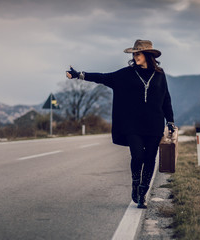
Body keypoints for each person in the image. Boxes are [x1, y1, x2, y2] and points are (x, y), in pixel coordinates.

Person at [66, 39, 175, 209]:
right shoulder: (126, 74)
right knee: (137, 156)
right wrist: (79, 74)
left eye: (138, 53)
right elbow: (103, 77)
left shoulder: (160, 75)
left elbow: (166, 98)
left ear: (147, 55)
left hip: (154, 124)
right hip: (133, 125)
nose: (135, 56)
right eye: (134, 53)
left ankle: (142, 194)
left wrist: (170, 121)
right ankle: (135, 183)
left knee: (150, 158)